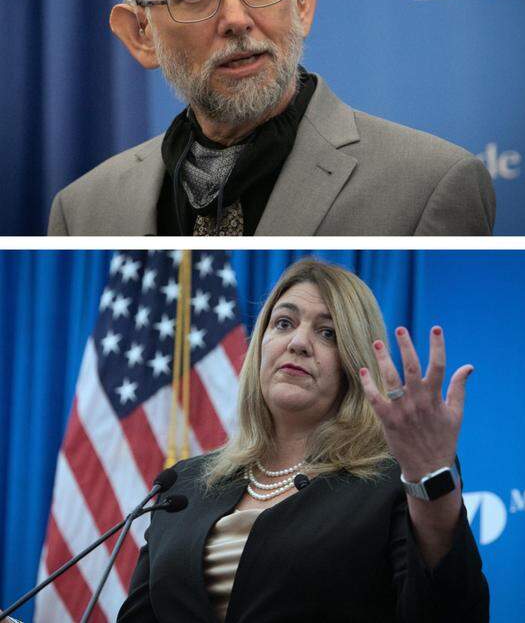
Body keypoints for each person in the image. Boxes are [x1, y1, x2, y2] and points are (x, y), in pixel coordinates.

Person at [48, 0, 494, 236]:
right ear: (140, 34)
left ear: (302, 0)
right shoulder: (82, 212)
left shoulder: (431, 184)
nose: (236, 18)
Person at [118, 259, 489, 621]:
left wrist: (429, 479)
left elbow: (451, 610)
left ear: (354, 363)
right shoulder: (184, 485)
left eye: (327, 333)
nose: (299, 342)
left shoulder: (394, 477)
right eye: (283, 323)